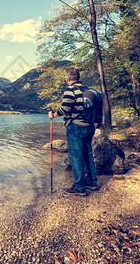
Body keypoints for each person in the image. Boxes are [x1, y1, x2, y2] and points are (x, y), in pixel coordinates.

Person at [48, 67, 99, 196]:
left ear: (67, 79)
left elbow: (65, 109)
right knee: (88, 155)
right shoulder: (87, 90)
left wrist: (53, 114)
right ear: (78, 77)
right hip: (89, 126)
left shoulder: (70, 90)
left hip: (76, 127)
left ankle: (79, 187)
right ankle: (92, 182)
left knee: (76, 157)